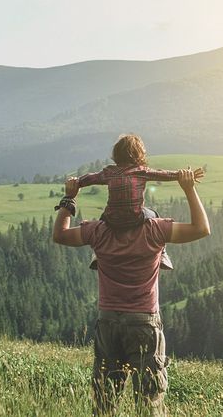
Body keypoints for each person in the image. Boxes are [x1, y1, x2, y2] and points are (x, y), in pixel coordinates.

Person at [52, 167, 210, 416]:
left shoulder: (98, 231)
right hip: (144, 322)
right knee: (149, 404)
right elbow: (201, 228)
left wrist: (69, 199)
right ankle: (162, 255)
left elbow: (59, 235)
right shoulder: (154, 229)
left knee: (104, 404)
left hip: (108, 322)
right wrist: (189, 188)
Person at [73, 133, 204, 271]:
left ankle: (96, 254)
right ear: (139, 154)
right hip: (136, 218)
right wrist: (184, 175)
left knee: (102, 219)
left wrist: (77, 182)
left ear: (116, 154)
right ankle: (163, 253)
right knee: (154, 214)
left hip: (112, 220)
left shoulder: (109, 172)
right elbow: (164, 174)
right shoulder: (141, 171)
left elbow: (90, 178)